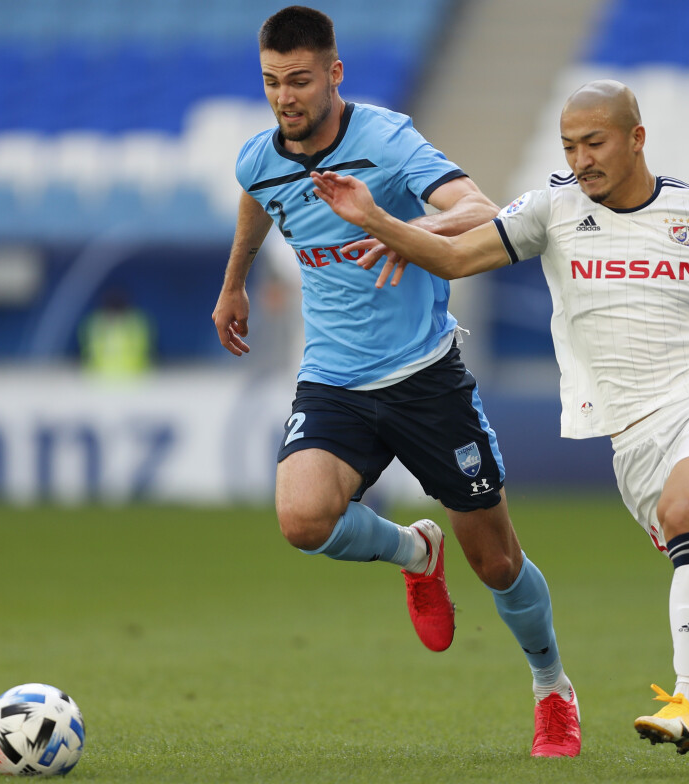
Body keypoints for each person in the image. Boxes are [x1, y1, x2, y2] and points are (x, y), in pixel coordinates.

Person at [309, 79, 689, 757]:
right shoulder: (552, 209)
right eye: (569, 146)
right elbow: (455, 256)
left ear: (636, 137)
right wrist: (377, 220)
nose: (581, 159)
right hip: (633, 441)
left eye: (594, 142)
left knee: (686, 511)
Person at [209, 6, 580, 757]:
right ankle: (417, 553)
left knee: (498, 562)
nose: (287, 98)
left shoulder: (387, 140)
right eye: (273, 83)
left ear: (335, 73)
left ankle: (552, 689)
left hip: (424, 377)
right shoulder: (261, 156)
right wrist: (234, 285)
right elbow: (257, 200)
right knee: (303, 520)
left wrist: (390, 226)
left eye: (302, 81)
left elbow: (478, 209)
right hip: (334, 381)